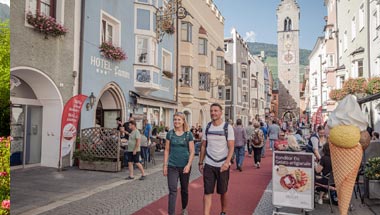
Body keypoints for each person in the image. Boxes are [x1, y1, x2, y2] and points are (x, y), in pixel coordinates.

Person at [198, 103, 234, 215]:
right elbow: (203, 145)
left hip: (222, 164)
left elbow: (231, 146)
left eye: (215, 110)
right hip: (209, 163)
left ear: (221, 112)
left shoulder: (227, 127)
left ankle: (223, 212)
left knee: (223, 191)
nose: (213, 113)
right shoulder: (207, 127)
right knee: (207, 191)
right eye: (211, 111)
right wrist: (200, 162)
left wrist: (227, 162)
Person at [163, 112, 195, 215]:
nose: (176, 121)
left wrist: (189, 165)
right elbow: (167, 150)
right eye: (175, 119)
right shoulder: (170, 134)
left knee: (184, 189)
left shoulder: (188, 134)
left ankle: (184, 208)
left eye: (178, 119)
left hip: (185, 166)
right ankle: (171, 213)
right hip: (172, 166)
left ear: (183, 121)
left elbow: (192, 151)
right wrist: (165, 165)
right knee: (172, 190)